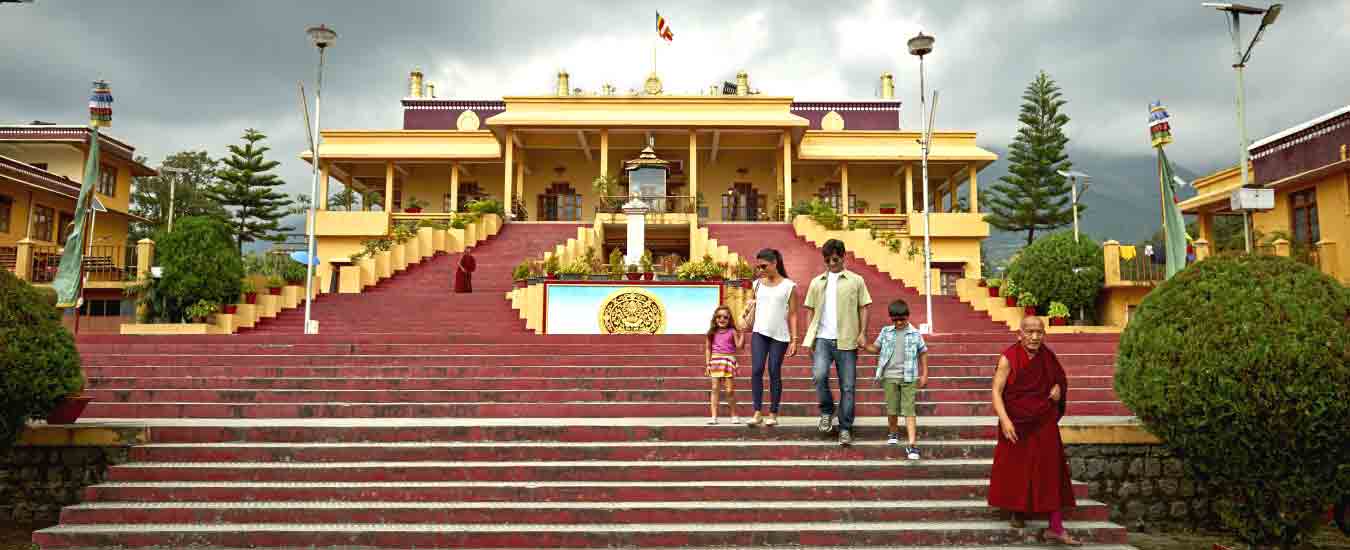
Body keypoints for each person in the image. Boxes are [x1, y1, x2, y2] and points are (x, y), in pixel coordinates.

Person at [988, 316, 1081, 546]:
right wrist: (1005, 420)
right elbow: (996, 391)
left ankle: (1056, 527)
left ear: (1044, 334)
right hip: (1017, 422)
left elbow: (1059, 379)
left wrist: (1059, 388)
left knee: (1051, 468)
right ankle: (1018, 511)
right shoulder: (1008, 358)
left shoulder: (1048, 357)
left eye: (1039, 332)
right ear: (1020, 334)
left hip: (1043, 419)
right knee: (1017, 468)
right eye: (1029, 332)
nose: (1034, 336)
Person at [801, 238, 872, 446]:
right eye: (827, 260)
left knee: (848, 386)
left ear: (843, 257)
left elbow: (863, 307)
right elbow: (810, 311)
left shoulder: (856, 280)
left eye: (834, 259)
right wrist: (809, 337)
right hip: (822, 338)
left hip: (848, 339)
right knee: (819, 375)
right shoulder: (817, 282)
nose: (831, 264)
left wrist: (862, 333)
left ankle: (845, 428)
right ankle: (827, 410)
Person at [863, 299, 928, 459]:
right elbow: (875, 349)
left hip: (909, 377)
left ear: (908, 316)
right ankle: (893, 433)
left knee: (909, 410)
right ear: (891, 318)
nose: (899, 323)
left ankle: (913, 445)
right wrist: (864, 345)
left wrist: (925, 374)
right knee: (892, 409)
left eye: (902, 319)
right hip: (889, 376)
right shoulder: (886, 331)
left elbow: (923, 352)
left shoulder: (915, 333)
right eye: (895, 320)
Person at [741, 248, 798, 427]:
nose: (761, 270)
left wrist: (795, 339)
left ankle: (773, 413)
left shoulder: (789, 286)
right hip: (759, 332)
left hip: (780, 336)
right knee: (757, 369)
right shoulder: (756, 284)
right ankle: (757, 412)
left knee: (774, 371)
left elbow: (794, 314)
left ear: (774, 263)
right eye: (758, 267)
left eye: (764, 266)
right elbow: (751, 306)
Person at [704, 305, 744, 425]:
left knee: (729, 390)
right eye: (719, 317)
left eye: (725, 317)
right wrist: (707, 363)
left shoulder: (732, 331)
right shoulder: (711, 333)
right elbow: (707, 349)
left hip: (728, 361)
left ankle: (734, 414)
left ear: (729, 319)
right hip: (715, 361)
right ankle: (714, 416)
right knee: (715, 388)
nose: (722, 319)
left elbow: (739, 346)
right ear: (715, 318)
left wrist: (742, 334)